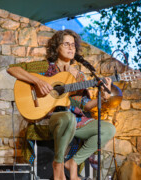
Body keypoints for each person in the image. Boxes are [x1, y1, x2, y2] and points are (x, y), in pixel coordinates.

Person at [7, 29, 116, 180]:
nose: (71, 48)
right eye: (66, 44)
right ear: (56, 47)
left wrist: (102, 98)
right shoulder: (45, 67)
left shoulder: (79, 76)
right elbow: (12, 68)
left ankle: (73, 162)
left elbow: (83, 105)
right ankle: (58, 164)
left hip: (75, 121)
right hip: (50, 119)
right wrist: (37, 81)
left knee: (108, 129)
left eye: (73, 45)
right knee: (67, 118)